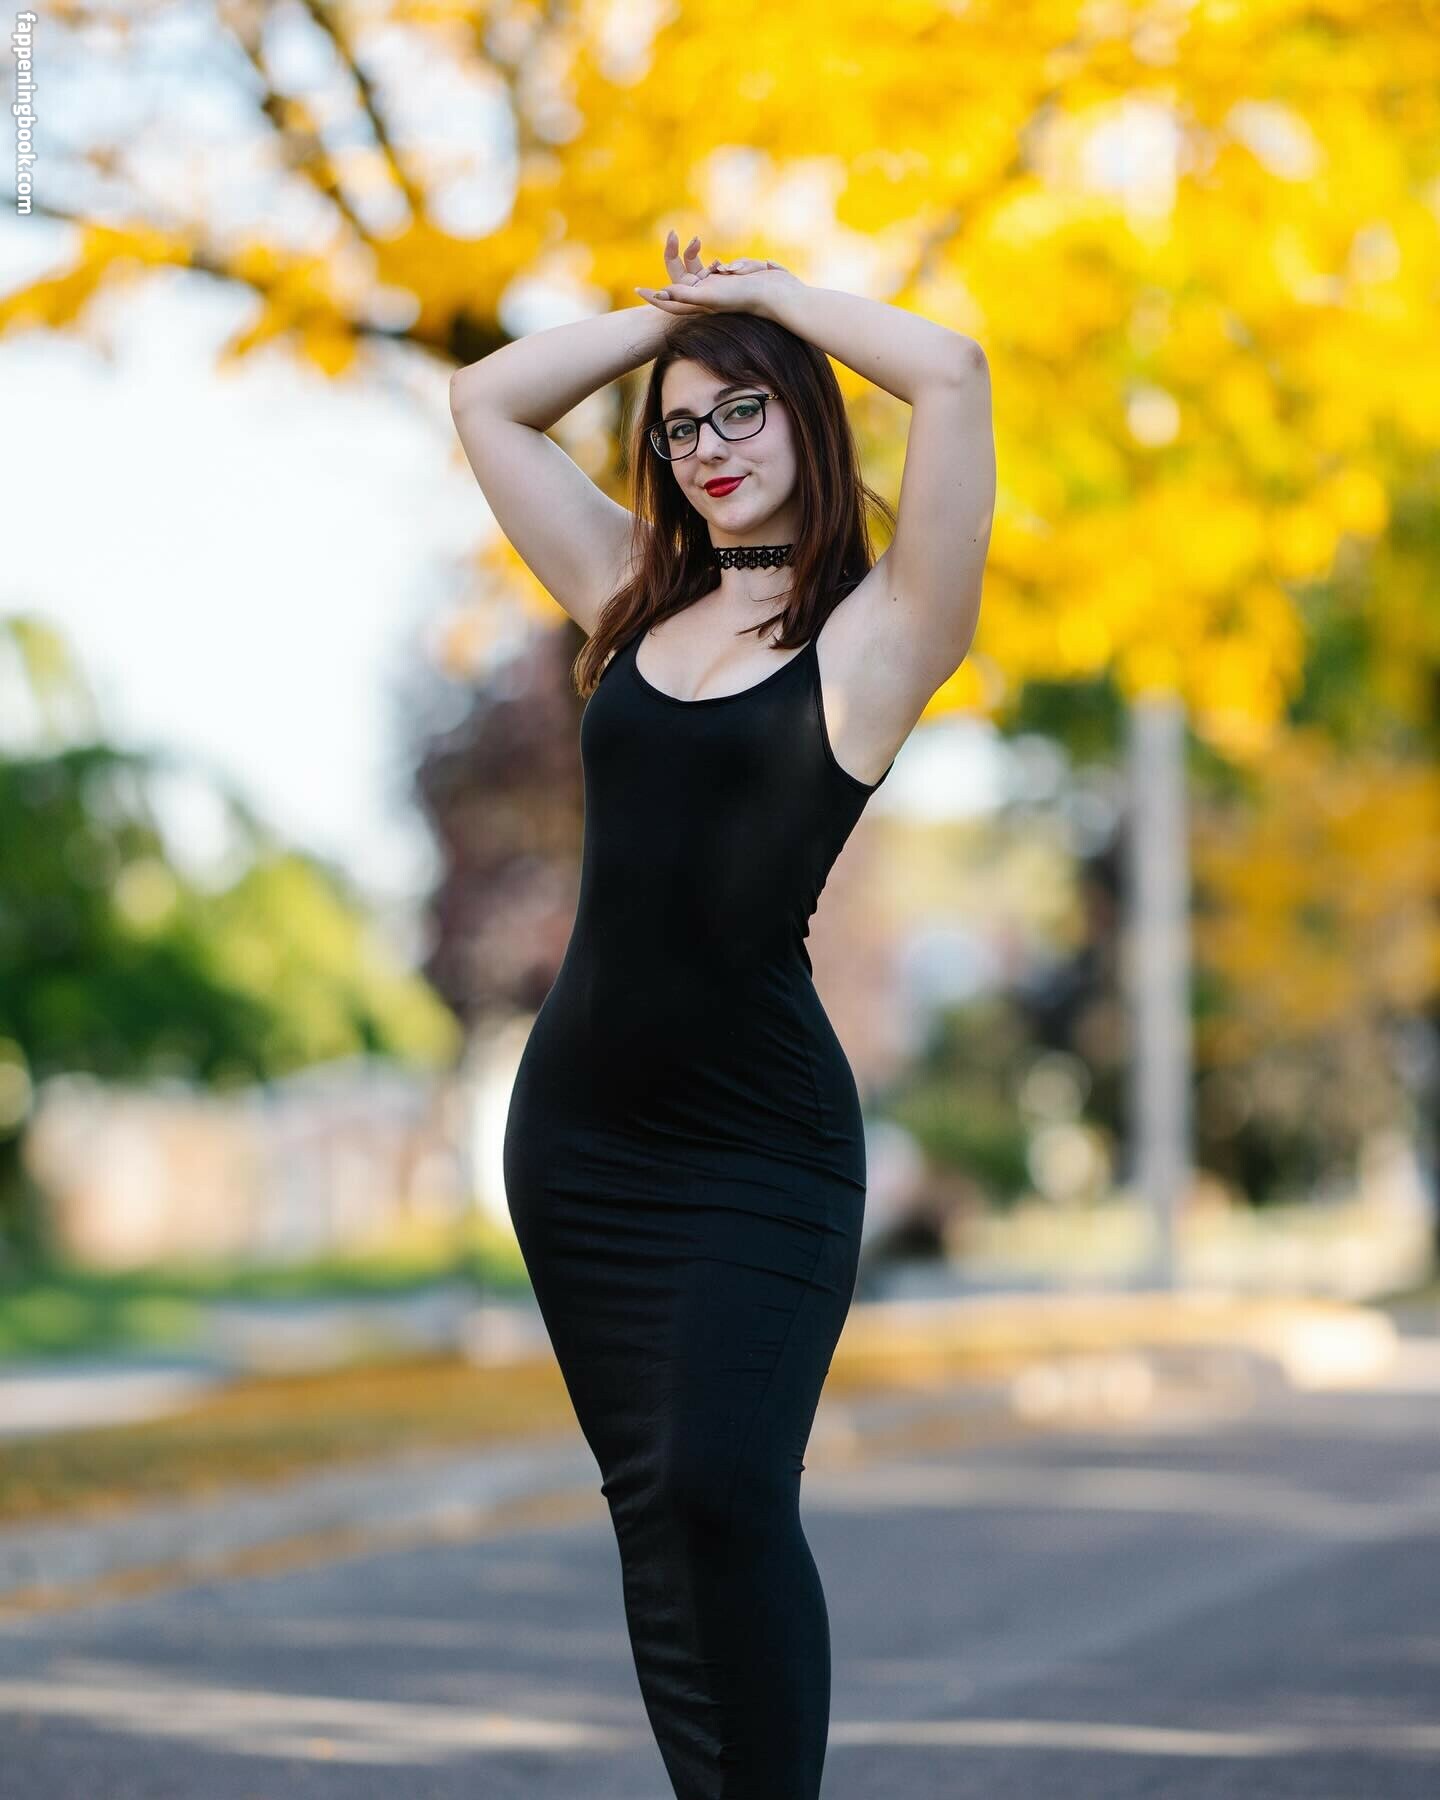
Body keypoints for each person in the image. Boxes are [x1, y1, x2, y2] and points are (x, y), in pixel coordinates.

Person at [448, 228, 994, 1799]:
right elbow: (486, 403)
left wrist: (766, 303)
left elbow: (954, 373)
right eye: (682, 428)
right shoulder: (628, 591)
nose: (707, 447)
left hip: (762, 1140)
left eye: (742, 410)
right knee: (657, 1504)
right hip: (580, 1139)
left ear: (805, 416)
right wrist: (660, 327)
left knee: (725, 1487)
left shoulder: (881, 633)